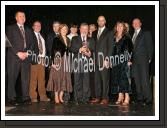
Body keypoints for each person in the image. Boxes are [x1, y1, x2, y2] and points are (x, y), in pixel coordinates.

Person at [6, 11, 33, 105]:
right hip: (14, 57)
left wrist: (27, 53)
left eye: (24, 16)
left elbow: (31, 44)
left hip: (26, 57)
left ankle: (25, 97)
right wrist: (18, 53)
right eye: (20, 16)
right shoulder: (10, 28)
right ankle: (11, 98)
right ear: (16, 18)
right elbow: (7, 42)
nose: (22, 17)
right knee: (12, 78)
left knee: (26, 78)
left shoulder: (28, 30)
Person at [47, 24, 72, 104]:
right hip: (58, 60)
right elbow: (53, 51)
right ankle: (56, 96)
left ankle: (61, 96)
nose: (64, 30)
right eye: (63, 29)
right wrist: (53, 62)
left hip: (66, 61)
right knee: (57, 78)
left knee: (64, 78)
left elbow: (68, 51)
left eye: (66, 29)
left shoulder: (68, 39)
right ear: (60, 30)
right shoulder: (56, 38)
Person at [70, 23, 95, 105]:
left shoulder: (91, 39)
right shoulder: (74, 38)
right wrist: (79, 49)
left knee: (86, 81)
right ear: (80, 29)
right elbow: (72, 49)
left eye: (86, 29)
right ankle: (77, 98)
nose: (84, 30)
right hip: (77, 63)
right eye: (83, 28)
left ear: (88, 30)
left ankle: (86, 98)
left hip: (87, 63)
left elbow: (93, 50)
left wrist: (90, 53)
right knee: (77, 81)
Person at [90, 16, 112, 105]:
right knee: (97, 79)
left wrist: (107, 58)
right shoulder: (94, 32)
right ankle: (98, 97)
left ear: (105, 21)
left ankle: (105, 98)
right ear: (97, 21)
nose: (101, 22)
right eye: (99, 20)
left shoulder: (109, 32)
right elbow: (92, 45)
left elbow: (110, 46)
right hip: (95, 59)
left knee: (105, 79)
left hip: (104, 59)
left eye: (102, 20)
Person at [131, 18, 153, 105]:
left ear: (140, 24)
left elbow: (150, 46)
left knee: (144, 80)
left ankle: (148, 99)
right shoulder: (132, 35)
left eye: (137, 23)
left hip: (143, 60)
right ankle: (140, 98)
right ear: (132, 25)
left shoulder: (146, 33)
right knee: (137, 80)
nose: (135, 24)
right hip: (134, 61)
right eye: (134, 23)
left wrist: (149, 58)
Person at [111, 21, 133, 106]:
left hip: (124, 61)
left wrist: (130, 60)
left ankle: (127, 97)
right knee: (117, 78)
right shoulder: (113, 37)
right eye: (118, 26)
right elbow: (112, 50)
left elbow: (131, 49)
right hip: (116, 61)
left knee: (125, 79)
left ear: (124, 28)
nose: (119, 27)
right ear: (116, 27)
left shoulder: (126, 37)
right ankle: (120, 96)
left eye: (121, 26)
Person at [29, 21, 50, 103]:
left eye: (39, 25)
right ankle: (33, 97)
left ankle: (43, 96)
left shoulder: (42, 36)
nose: (38, 27)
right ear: (33, 27)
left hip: (43, 59)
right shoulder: (30, 35)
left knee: (42, 79)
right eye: (36, 25)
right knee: (33, 79)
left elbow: (45, 47)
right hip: (35, 59)